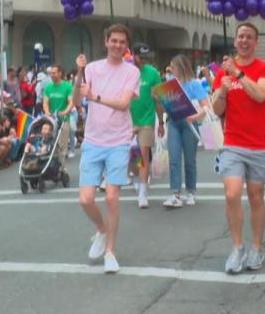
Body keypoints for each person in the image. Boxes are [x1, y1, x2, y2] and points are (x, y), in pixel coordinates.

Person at [72, 24, 141, 274]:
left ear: (127, 46)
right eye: (114, 41)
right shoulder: (91, 68)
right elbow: (76, 100)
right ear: (106, 42)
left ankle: (110, 251)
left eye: (122, 42)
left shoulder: (131, 72)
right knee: (85, 199)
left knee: (112, 197)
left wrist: (95, 96)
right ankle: (101, 230)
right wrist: (79, 73)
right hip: (92, 140)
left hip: (119, 141)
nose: (117, 45)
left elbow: (123, 104)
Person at [211, 22, 265, 274]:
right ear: (235, 40)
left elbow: (261, 95)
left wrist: (237, 75)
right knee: (232, 194)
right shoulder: (222, 73)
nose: (244, 40)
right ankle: (237, 247)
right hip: (233, 144)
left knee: (256, 197)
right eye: (240, 36)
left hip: (259, 145)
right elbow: (217, 110)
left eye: (249, 37)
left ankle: (256, 248)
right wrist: (223, 92)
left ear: (255, 41)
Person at [162, 54, 210, 208]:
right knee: (174, 159)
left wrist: (195, 116)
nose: (171, 69)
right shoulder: (170, 83)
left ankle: (191, 191)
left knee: (190, 160)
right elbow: (167, 105)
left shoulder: (194, 84)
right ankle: (175, 192)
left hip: (190, 124)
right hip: (174, 123)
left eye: (173, 66)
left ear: (180, 67)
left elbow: (205, 106)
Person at [129, 43, 163, 209]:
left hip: (146, 120)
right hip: (127, 121)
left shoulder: (153, 73)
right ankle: (137, 177)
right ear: (133, 55)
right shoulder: (125, 71)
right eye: (140, 57)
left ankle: (143, 191)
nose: (143, 61)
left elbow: (158, 99)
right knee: (132, 157)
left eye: (145, 58)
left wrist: (161, 121)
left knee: (144, 155)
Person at [43, 64, 75, 165]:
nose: (52, 75)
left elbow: (71, 102)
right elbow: (45, 102)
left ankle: (61, 167)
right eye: (51, 73)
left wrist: (65, 111)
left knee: (62, 145)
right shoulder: (48, 87)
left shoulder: (67, 86)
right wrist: (47, 112)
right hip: (52, 120)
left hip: (64, 119)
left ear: (60, 73)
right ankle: (50, 165)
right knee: (50, 143)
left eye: (54, 73)